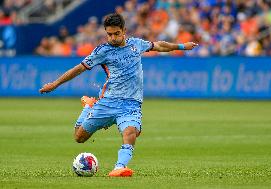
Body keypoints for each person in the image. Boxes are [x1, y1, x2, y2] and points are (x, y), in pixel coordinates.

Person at [39, 13, 198, 177]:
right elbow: (79, 69)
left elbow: (160, 46)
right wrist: (55, 83)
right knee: (79, 138)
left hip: (131, 104)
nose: (113, 38)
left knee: (130, 132)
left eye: (116, 34)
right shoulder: (102, 51)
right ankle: (88, 107)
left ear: (124, 31)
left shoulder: (136, 44)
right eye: (109, 34)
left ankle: (119, 168)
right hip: (108, 102)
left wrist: (181, 46)